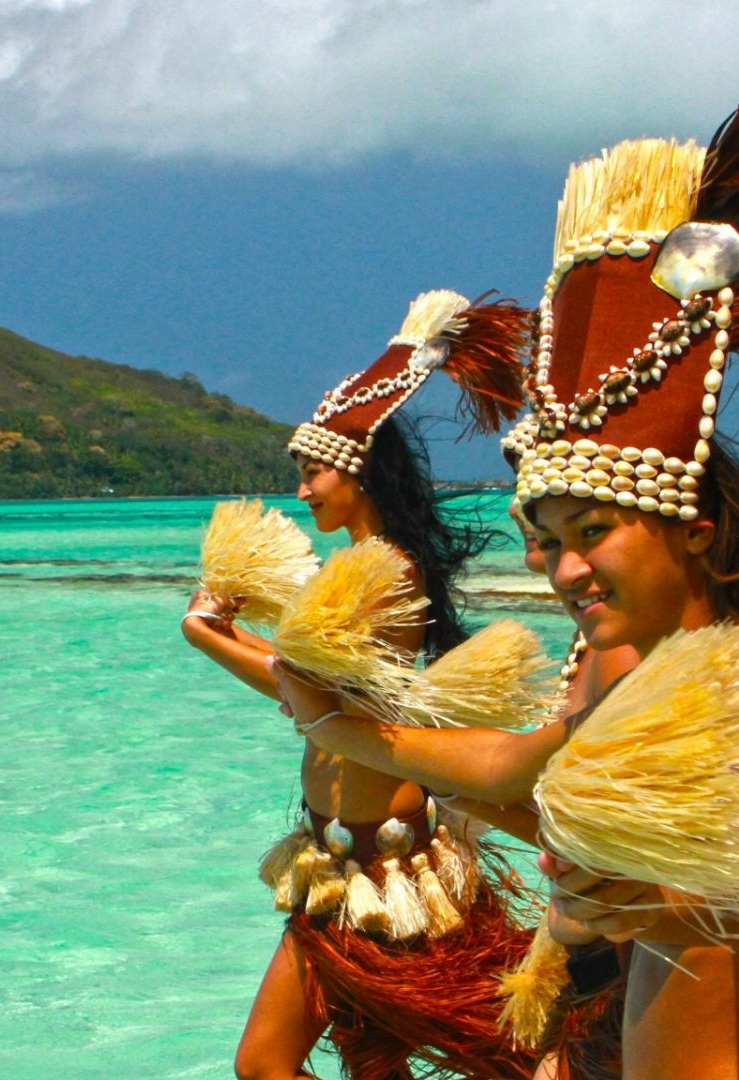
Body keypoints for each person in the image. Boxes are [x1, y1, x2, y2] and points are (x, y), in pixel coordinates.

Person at [272, 48, 739, 1080]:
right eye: (553, 540)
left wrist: (629, 893)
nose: (566, 569)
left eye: (596, 533)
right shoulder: (623, 691)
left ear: (697, 532)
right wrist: (347, 728)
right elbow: (518, 776)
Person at [184, 291, 537, 1080]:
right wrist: (223, 632)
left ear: (356, 469)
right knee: (366, 1063)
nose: (303, 491)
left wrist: (203, 634)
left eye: (313, 472)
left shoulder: (384, 575)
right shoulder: (356, 572)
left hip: (389, 870)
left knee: (269, 1064)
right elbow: (305, 685)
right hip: (339, 865)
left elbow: (302, 692)